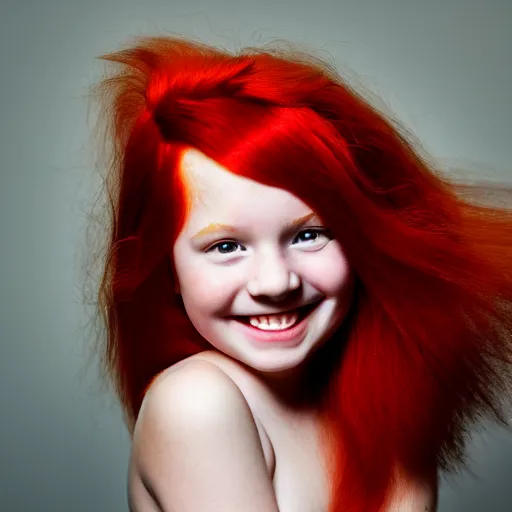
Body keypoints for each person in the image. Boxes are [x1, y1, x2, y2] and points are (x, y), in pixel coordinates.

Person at [86, 35, 512, 511]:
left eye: (308, 235)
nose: (276, 282)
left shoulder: (384, 388)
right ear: (167, 268)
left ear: (364, 235)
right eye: (226, 246)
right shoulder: (197, 404)